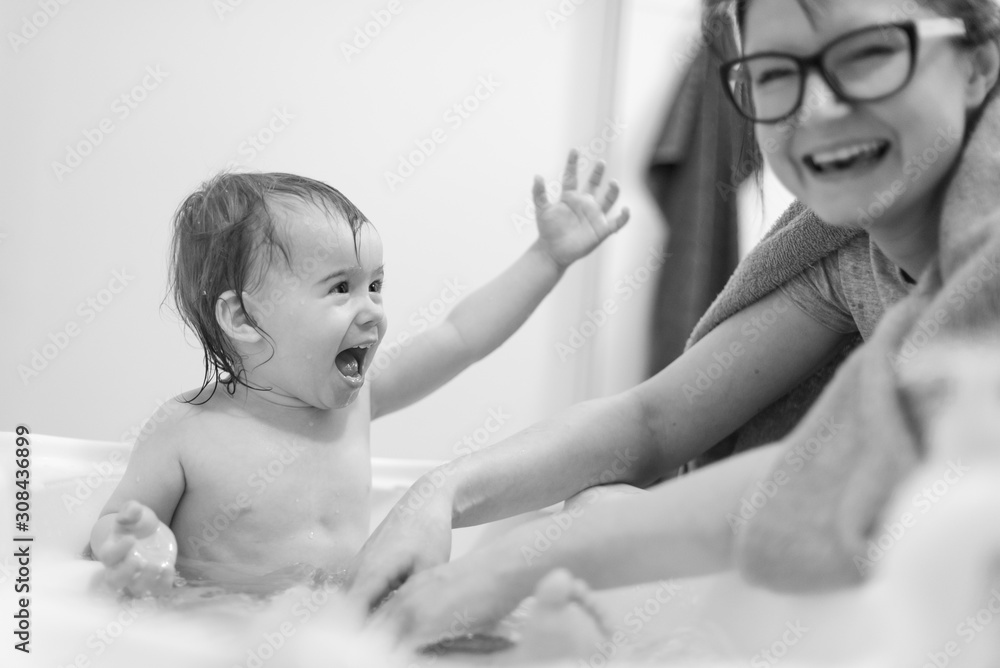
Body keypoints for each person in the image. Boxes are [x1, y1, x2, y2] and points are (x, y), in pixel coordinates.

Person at [347, 0, 1000, 646]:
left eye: (868, 54)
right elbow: (655, 421)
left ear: (980, 62)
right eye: (775, 74)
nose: (818, 109)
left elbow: (852, 466)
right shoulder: (845, 244)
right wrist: (442, 492)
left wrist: (504, 568)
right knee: (598, 511)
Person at [88, 154, 630, 596]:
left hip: (343, 628)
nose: (370, 309)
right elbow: (111, 527)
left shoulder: (356, 401)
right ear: (243, 317)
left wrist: (547, 257)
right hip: (225, 627)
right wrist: (133, 542)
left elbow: (462, 337)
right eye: (340, 288)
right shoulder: (186, 430)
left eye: (375, 285)